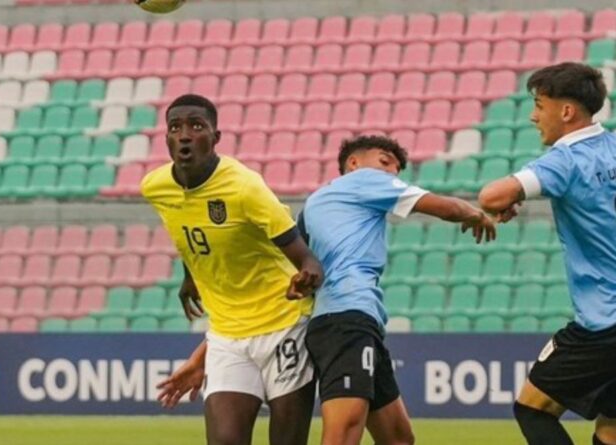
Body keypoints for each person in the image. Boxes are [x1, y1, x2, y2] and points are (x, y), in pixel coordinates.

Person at [141, 94, 324, 445]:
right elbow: (184, 228)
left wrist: (308, 276)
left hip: (283, 325)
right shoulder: (155, 187)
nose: (184, 135)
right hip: (226, 335)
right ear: (166, 137)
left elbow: (307, 259)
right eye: (175, 127)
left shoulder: (245, 187)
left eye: (197, 126)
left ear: (215, 137)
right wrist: (190, 275)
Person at [296, 135, 496, 445]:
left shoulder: (313, 205)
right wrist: (477, 213)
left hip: (343, 319)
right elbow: (440, 206)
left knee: (398, 437)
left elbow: (300, 262)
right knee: (344, 431)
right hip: (346, 319)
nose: (391, 173)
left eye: (397, 169)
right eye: (384, 162)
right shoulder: (364, 181)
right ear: (354, 163)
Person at [478, 62, 616, 445]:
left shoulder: (566, 159)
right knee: (610, 428)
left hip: (604, 322)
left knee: (532, 408)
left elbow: (492, 195)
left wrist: (510, 199)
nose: (533, 115)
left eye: (540, 105)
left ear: (567, 111)